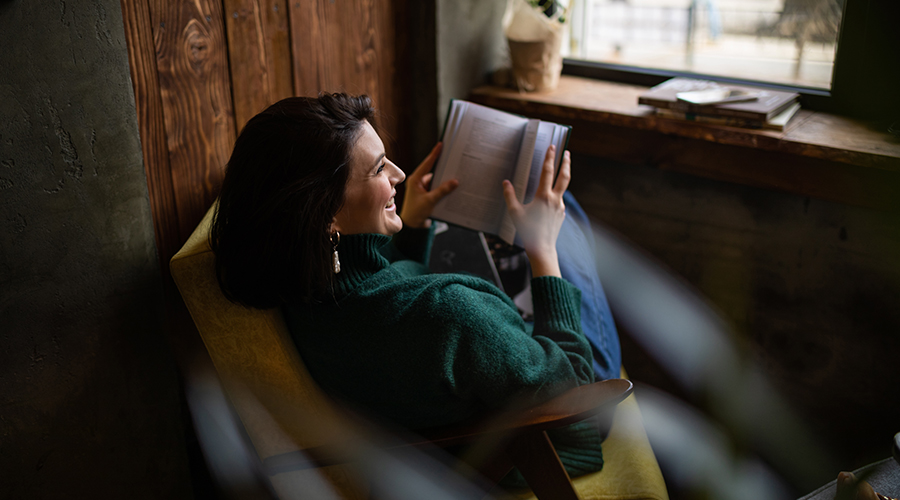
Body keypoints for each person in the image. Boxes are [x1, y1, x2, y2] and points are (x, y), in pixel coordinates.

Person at [210, 93, 621, 486]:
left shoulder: (296, 282)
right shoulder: (450, 314)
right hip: (551, 431)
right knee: (567, 216)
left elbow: (387, 312)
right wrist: (542, 250)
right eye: (378, 169)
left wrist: (412, 224)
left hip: (483, 386)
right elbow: (572, 393)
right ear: (327, 215)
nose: (399, 175)